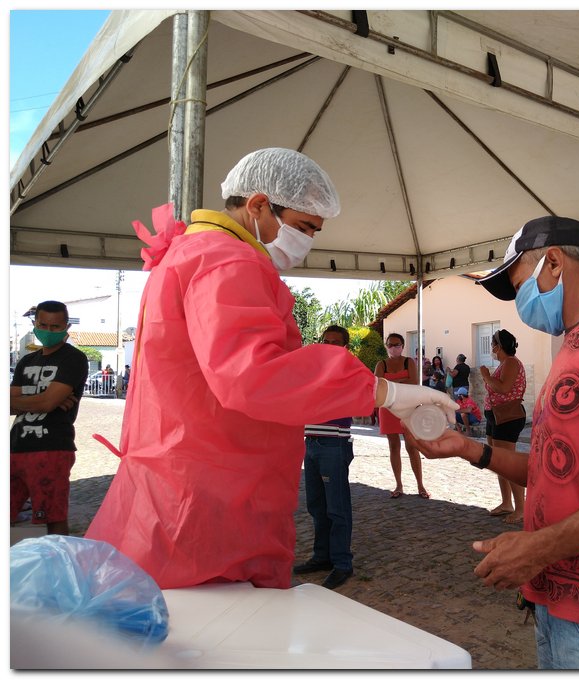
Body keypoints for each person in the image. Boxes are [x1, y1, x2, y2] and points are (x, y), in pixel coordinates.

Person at [84, 148, 455, 589]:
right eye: (303, 227)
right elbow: (252, 374)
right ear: (259, 205)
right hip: (209, 489)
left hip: (178, 476)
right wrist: (387, 393)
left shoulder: (189, 253)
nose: (308, 241)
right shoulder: (228, 260)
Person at [406, 215, 579, 670]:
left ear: (554, 263)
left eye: (521, 286)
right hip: (559, 603)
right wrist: (467, 448)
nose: (522, 302)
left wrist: (537, 548)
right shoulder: (577, 342)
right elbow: (553, 470)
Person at [10, 301, 89, 536]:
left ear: (66, 327)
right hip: (15, 447)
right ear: (35, 324)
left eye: (55, 327)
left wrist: (41, 398)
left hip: (52, 448)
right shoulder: (26, 361)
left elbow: (47, 403)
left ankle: (59, 568)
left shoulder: (73, 358)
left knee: (53, 518)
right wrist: (38, 393)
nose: (48, 331)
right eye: (43, 325)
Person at [294, 325, 357, 590]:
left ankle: (342, 563)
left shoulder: (349, 371)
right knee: (317, 506)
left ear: (345, 347)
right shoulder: (313, 369)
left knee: (337, 507)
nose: (330, 345)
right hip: (313, 442)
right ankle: (322, 556)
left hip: (334, 443)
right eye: (326, 341)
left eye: (336, 342)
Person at [479, 329, 527, 524]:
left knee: (509, 463)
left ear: (499, 346)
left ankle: (521, 508)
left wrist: (485, 376)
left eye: (493, 345)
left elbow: (504, 387)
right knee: (498, 461)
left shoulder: (511, 362)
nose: (492, 348)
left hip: (507, 418)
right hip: (496, 417)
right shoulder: (504, 364)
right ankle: (507, 503)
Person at [374, 333, 431, 499]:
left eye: (397, 344)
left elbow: (414, 382)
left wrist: (392, 385)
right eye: (390, 345)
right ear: (386, 346)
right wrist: (401, 384)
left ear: (403, 345)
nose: (394, 348)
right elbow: (378, 385)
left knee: (412, 446)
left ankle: (420, 484)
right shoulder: (381, 364)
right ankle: (398, 484)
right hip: (388, 409)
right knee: (393, 447)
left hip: (408, 408)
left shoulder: (409, 362)